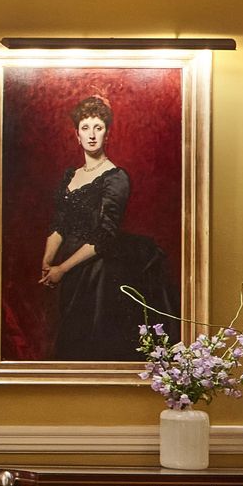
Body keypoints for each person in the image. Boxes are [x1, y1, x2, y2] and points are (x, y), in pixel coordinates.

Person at [38, 94, 173, 359]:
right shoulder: (70, 176)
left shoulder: (116, 177)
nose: (91, 135)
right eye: (85, 128)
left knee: (92, 340)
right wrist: (47, 261)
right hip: (69, 269)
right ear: (76, 134)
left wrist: (62, 269)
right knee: (70, 339)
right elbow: (59, 224)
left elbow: (104, 236)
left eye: (98, 128)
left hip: (98, 271)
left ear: (107, 133)